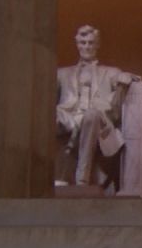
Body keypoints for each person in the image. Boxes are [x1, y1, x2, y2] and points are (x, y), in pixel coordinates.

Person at [55, 24, 134, 187]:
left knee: (91, 115)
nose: (87, 46)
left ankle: (82, 179)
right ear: (77, 44)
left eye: (91, 43)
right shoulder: (61, 73)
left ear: (97, 45)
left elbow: (121, 87)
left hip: (98, 121)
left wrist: (125, 78)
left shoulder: (111, 72)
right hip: (69, 117)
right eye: (83, 43)